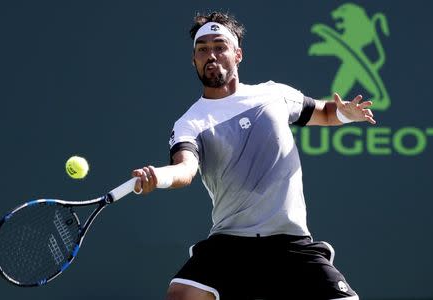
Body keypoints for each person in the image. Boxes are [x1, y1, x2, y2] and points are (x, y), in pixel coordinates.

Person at [132, 11, 375, 300]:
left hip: (291, 241)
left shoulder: (273, 95)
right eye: (203, 49)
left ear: (237, 54)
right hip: (231, 244)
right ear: (194, 60)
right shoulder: (190, 122)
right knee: (182, 295)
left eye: (219, 47)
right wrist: (157, 177)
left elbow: (323, 112)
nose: (211, 55)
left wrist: (344, 115)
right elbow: (185, 169)